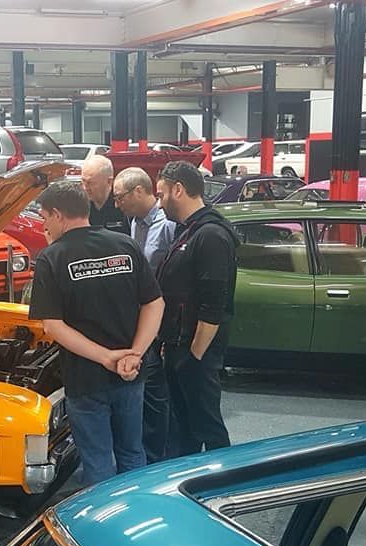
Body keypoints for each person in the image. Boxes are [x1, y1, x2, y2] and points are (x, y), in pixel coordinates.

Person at [28, 180, 164, 486]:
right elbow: (155, 303)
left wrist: (106, 358)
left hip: (85, 379)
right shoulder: (125, 244)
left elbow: (52, 325)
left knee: (98, 460)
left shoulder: (52, 258)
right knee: (132, 452)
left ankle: (103, 526)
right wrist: (135, 354)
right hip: (132, 373)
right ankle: (135, 515)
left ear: (58, 215)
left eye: (44, 217)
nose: (44, 224)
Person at [155, 161, 239, 457]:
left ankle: (228, 486)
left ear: (178, 189)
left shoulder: (210, 235)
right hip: (180, 347)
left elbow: (213, 306)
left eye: (161, 194)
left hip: (196, 354)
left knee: (208, 426)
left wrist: (194, 356)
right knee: (185, 428)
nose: (160, 202)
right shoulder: (188, 231)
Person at [112, 166, 177, 464]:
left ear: (139, 191)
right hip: (135, 316)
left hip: (160, 316)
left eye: (120, 197)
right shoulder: (133, 221)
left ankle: (157, 455)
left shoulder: (167, 225)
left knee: (156, 392)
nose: (116, 204)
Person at [81, 155, 129, 235]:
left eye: (90, 183)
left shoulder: (123, 205)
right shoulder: (81, 207)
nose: (85, 188)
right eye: (83, 181)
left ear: (109, 182)